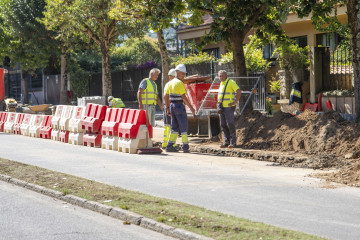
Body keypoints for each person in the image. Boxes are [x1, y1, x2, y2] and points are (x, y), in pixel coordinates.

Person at [164, 64, 196, 153]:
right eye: (182, 74)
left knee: (174, 127)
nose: (183, 76)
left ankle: (170, 146)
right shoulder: (179, 83)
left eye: (184, 74)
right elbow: (184, 97)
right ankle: (185, 147)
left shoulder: (169, 83)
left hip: (172, 106)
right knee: (184, 126)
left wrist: (167, 108)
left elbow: (165, 97)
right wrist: (191, 108)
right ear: (177, 73)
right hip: (179, 106)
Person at [217, 70, 241, 148]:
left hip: (228, 108)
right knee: (223, 125)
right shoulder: (221, 83)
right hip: (222, 108)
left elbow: (238, 91)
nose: (221, 77)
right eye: (220, 76)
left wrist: (235, 102)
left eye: (222, 75)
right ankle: (226, 142)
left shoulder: (231, 82)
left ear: (226, 75)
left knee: (230, 124)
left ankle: (233, 142)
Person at [162, 68, 176, 149]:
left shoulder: (168, 84)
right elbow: (166, 97)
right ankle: (171, 144)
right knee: (171, 126)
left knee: (167, 126)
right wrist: (168, 108)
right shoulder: (172, 84)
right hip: (169, 106)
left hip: (167, 106)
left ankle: (165, 143)